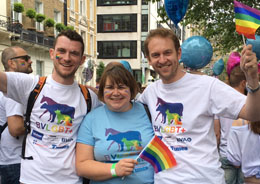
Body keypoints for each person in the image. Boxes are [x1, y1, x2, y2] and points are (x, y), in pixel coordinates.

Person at [138, 27, 260, 184]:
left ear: (179, 53)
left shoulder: (207, 86)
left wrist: (252, 80)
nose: (162, 60)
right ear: (148, 59)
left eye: (167, 53)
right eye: (156, 55)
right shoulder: (150, 92)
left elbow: (254, 114)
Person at [0, 30, 101, 184]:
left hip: (72, 180)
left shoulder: (89, 98)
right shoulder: (31, 85)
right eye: (62, 51)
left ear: (82, 60)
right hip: (32, 179)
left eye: (74, 53)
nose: (67, 58)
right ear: (52, 53)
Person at [76, 63, 154, 184]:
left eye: (122, 87)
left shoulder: (149, 112)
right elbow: (82, 165)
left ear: (131, 89)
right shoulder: (91, 119)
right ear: (102, 90)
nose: (116, 93)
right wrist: (114, 169)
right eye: (110, 87)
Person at [0, 46, 33, 184]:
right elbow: (15, 128)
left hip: (9, 160)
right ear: (11, 63)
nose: (30, 61)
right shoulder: (15, 88)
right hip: (15, 161)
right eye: (25, 58)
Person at [216, 53, 247, 184]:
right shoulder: (250, 105)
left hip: (225, 154)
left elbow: (216, 134)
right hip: (247, 156)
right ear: (244, 83)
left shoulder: (219, 103)